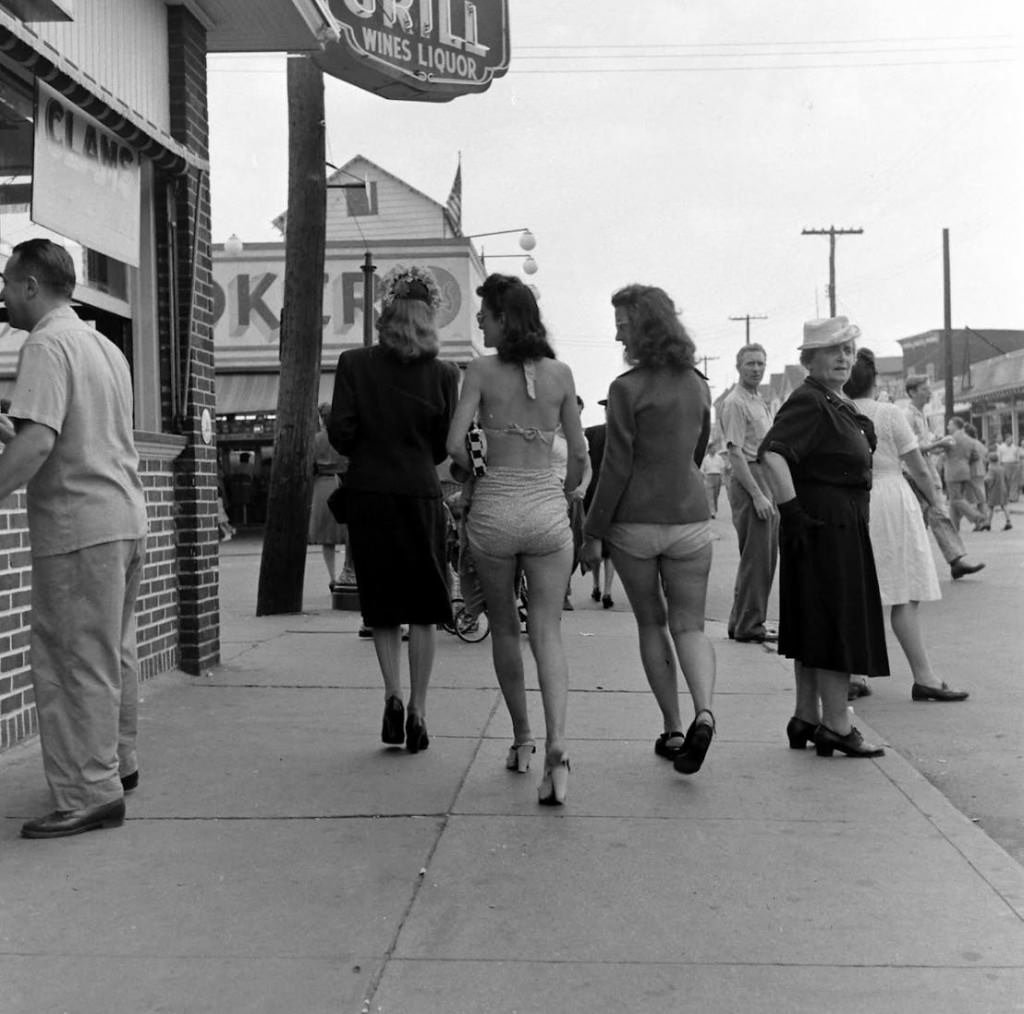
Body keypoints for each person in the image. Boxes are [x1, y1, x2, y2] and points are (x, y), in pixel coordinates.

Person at [0, 238, 147, 837]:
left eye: (8, 283)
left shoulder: (45, 343)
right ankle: (118, 764)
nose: (4, 295)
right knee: (113, 651)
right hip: (124, 519)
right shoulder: (103, 346)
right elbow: (66, 432)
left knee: (69, 661)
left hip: (77, 527)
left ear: (33, 284)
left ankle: (88, 792)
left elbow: (38, 446)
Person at [447, 274, 586, 805]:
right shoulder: (561, 374)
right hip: (547, 508)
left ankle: (523, 740)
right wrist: (565, 491)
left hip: (496, 510)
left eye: (485, 313)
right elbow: (577, 454)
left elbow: (455, 444)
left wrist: (480, 471)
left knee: (505, 628)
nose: (479, 320)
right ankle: (559, 746)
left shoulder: (480, 371)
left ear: (505, 317)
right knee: (547, 632)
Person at [582, 284, 717, 776]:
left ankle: (674, 728)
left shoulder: (625, 389)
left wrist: (593, 531)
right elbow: (699, 449)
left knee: (652, 624)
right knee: (690, 626)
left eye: (622, 322)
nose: (617, 331)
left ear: (642, 325)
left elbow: (615, 467)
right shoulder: (698, 385)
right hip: (689, 518)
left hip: (635, 523)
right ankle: (705, 710)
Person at [328, 265, 458, 754]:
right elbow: (445, 447)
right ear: (430, 317)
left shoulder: (354, 363)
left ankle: (393, 695)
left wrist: (370, 445)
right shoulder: (445, 374)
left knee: (382, 603)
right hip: (420, 491)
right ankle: (420, 710)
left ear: (385, 311)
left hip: (370, 492)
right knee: (424, 606)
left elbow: (340, 431)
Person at [759, 317, 889, 758]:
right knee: (836, 623)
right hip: (824, 523)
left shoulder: (832, 400)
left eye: (849, 350)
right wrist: (791, 510)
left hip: (831, 521)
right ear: (808, 358)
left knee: (815, 619)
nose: (843, 358)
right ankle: (836, 724)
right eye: (832, 350)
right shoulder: (811, 401)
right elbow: (771, 454)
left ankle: (806, 716)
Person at [844, 349, 969, 703]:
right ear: (876, 381)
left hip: (855, 499)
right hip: (892, 497)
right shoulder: (888, 413)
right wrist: (936, 501)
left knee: (860, 587)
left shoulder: (840, 411)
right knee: (904, 590)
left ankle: (855, 672)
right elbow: (919, 466)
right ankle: (924, 676)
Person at [719, 343, 779, 643]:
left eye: (760, 363)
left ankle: (741, 620)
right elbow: (736, 452)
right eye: (750, 364)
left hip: (764, 473)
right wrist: (757, 494)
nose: (756, 368)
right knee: (757, 556)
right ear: (738, 366)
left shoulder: (758, 400)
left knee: (763, 556)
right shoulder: (735, 403)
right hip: (749, 477)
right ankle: (750, 624)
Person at [902, 376, 984, 580]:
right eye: (924, 389)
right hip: (915, 473)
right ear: (912, 392)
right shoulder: (907, 416)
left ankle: (950, 562)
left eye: (929, 388)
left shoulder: (921, 415)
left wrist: (937, 442)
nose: (929, 392)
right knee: (934, 515)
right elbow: (909, 448)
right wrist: (940, 445)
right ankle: (953, 561)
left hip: (924, 471)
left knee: (926, 518)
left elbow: (923, 443)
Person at [551, 394, 592, 610]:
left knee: (574, 546)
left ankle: (564, 588)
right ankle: (556, 591)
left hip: (573, 497)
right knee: (553, 546)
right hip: (550, 495)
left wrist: (582, 488)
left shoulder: (581, 440)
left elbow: (588, 468)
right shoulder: (550, 437)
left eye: (579, 413)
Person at [308, 401, 353, 591]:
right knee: (349, 533)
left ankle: (332, 577)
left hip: (322, 486)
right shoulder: (344, 437)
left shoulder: (315, 440)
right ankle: (348, 571)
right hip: (344, 484)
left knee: (327, 538)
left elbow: (310, 467)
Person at [583, 398, 617, 607]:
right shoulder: (623, 435)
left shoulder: (591, 433)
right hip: (611, 493)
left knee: (596, 541)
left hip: (592, 491)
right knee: (608, 547)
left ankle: (599, 587)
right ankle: (606, 590)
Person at [944, 417, 986, 532]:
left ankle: (976, 517)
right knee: (954, 501)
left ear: (956, 425)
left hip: (952, 473)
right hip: (965, 471)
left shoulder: (951, 439)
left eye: (949, 424)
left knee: (956, 499)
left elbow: (937, 451)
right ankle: (954, 527)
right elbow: (976, 456)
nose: (947, 427)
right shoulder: (970, 440)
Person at [963, 422, 988, 530]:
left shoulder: (969, 443)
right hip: (981, 471)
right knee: (981, 498)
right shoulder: (979, 443)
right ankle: (984, 521)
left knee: (973, 500)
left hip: (972, 472)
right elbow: (985, 454)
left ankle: (979, 522)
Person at [984, 450, 1012, 531]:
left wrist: (984, 479)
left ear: (990, 460)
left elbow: (988, 479)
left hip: (994, 490)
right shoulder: (1002, 468)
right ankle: (1008, 521)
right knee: (1004, 506)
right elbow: (1007, 479)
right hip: (1003, 490)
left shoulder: (991, 469)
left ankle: (988, 523)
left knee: (990, 507)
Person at [700, 440, 725, 517]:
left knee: (715, 495)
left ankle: (714, 509)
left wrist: (722, 477)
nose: (714, 449)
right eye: (712, 448)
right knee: (710, 495)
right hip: (709, 477)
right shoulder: (706, 459)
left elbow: (722, 467)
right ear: (709, 449)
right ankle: (712, 512)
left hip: (717, 477)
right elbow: (702, 469)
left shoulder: (719, 458)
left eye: (715, 448)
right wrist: (704, 476)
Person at [996, 431, 1020, 502]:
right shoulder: (1001, 447)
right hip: (1004, 464)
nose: (1011, 440)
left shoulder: (1015, 447)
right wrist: (999, 466)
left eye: (1012, 439)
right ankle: (1006, 497)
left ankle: (1013, 497)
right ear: (1006, 439)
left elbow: (1017, 457)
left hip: (1014, 464)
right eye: (1009, 439)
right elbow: (999, 457)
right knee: (1005, 481)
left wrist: (1017, 464)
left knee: (1014, 481)